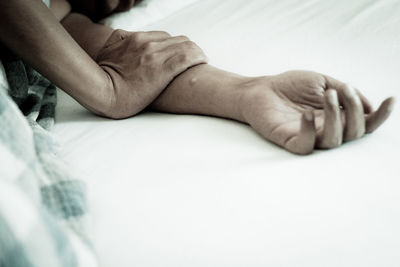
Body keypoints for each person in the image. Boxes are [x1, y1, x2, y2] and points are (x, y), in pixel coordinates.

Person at [0, 0, 395, 155]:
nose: (125, 3)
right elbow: (111, 83)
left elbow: (138, 66)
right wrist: (103, 92)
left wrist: (248, 92)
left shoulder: (65, 16)